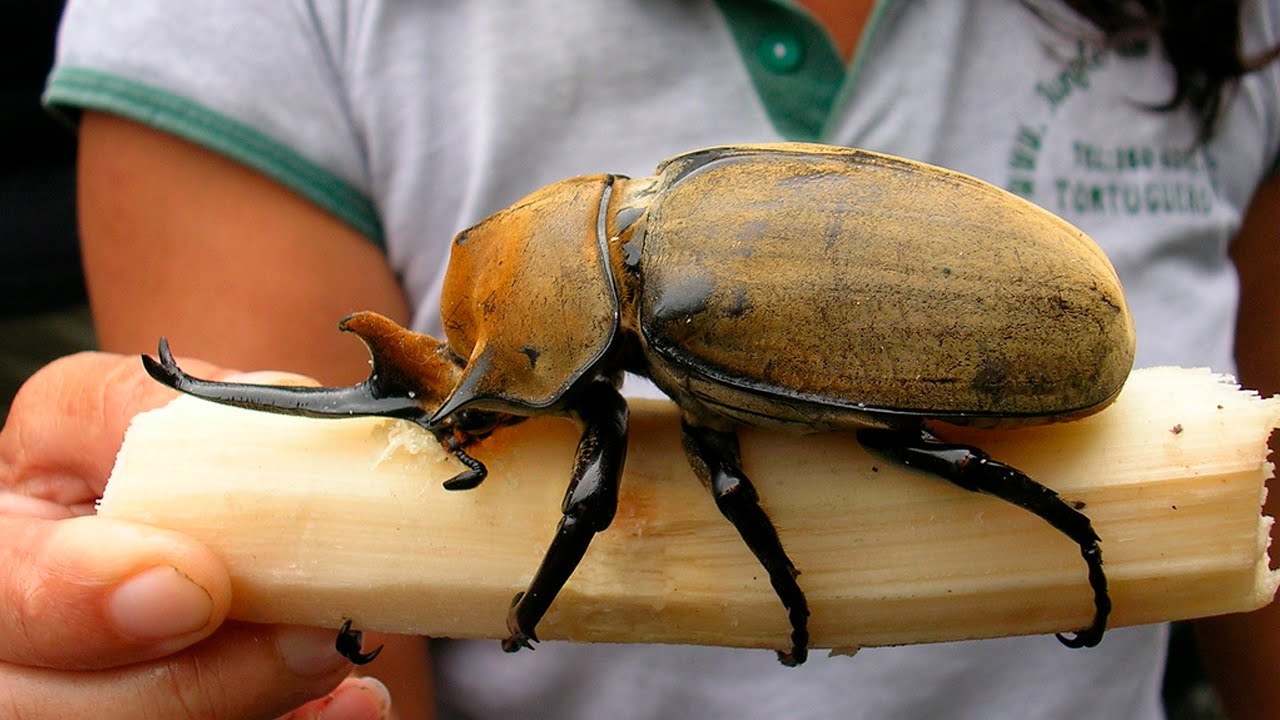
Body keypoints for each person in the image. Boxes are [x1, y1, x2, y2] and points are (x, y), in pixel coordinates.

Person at [7, 0, 1277, 717]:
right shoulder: (652, 200)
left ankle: (1060, 521)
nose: (466, 396)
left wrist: (759, 599)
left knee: (909, 445)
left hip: (1021, 334)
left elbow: (653, 494)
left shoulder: (668, 312)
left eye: (482, 376)